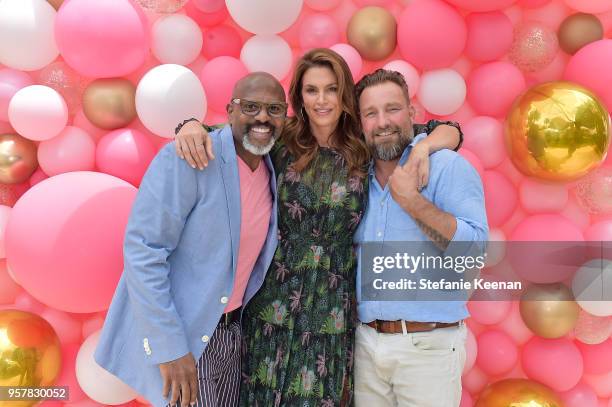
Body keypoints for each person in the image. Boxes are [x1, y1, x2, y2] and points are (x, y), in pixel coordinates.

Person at [174, 49, 462, 406]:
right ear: (299, 95)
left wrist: (423, 150)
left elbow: (449, 130)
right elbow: (224, 132)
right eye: (312, 90)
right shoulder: (280, 139)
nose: (322, 100)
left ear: (344, 95)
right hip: (274, 296)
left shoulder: (364, 142)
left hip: (332, 307)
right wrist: (188, 124)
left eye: (331, 89)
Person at [94, 72, 287, 407]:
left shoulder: (272, 165)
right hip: (186, 337)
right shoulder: (190, 157)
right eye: (251, 106)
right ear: (229, 110)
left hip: (231, 335)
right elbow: (145, 251)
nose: (262, 117)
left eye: (274, 109)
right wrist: (169, 346)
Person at [353, 69, 488, 406]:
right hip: (366, 346)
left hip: (429, 346)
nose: (383, 121)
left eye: (393, 109)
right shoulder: (355, 180)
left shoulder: (447, 167)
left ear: (412, 114)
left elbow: (474, 250)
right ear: (361, 124)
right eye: (371, 113)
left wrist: (413, 202)